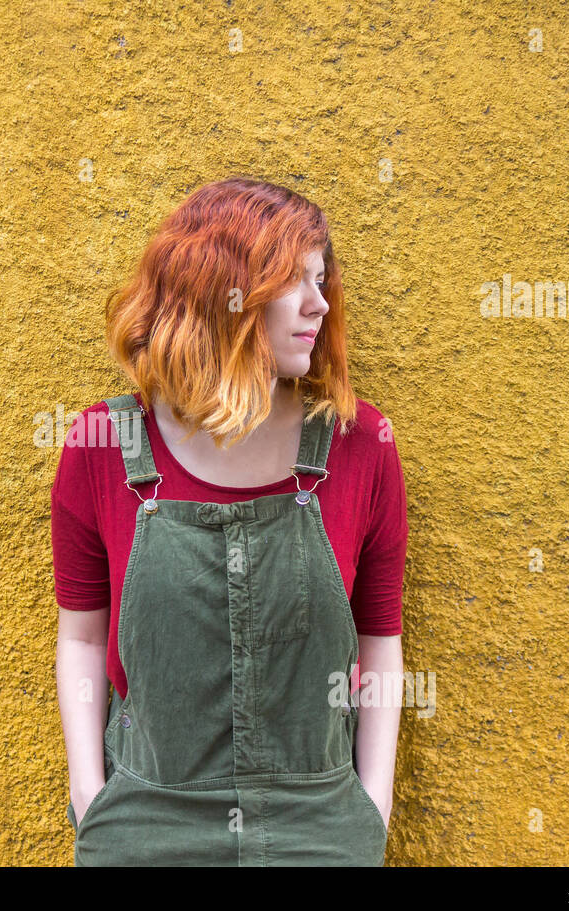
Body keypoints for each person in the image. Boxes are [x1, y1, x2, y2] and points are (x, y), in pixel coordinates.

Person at [52, 177, 408, 866]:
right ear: (226, 293)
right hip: (145, 826)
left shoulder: (360, 446)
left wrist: (372, 809)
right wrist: (91, 800)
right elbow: (83, 640)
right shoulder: (101, 447)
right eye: (294, 283)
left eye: (321, 279)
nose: (319, 304)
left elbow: (380, 643)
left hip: (320, 830)